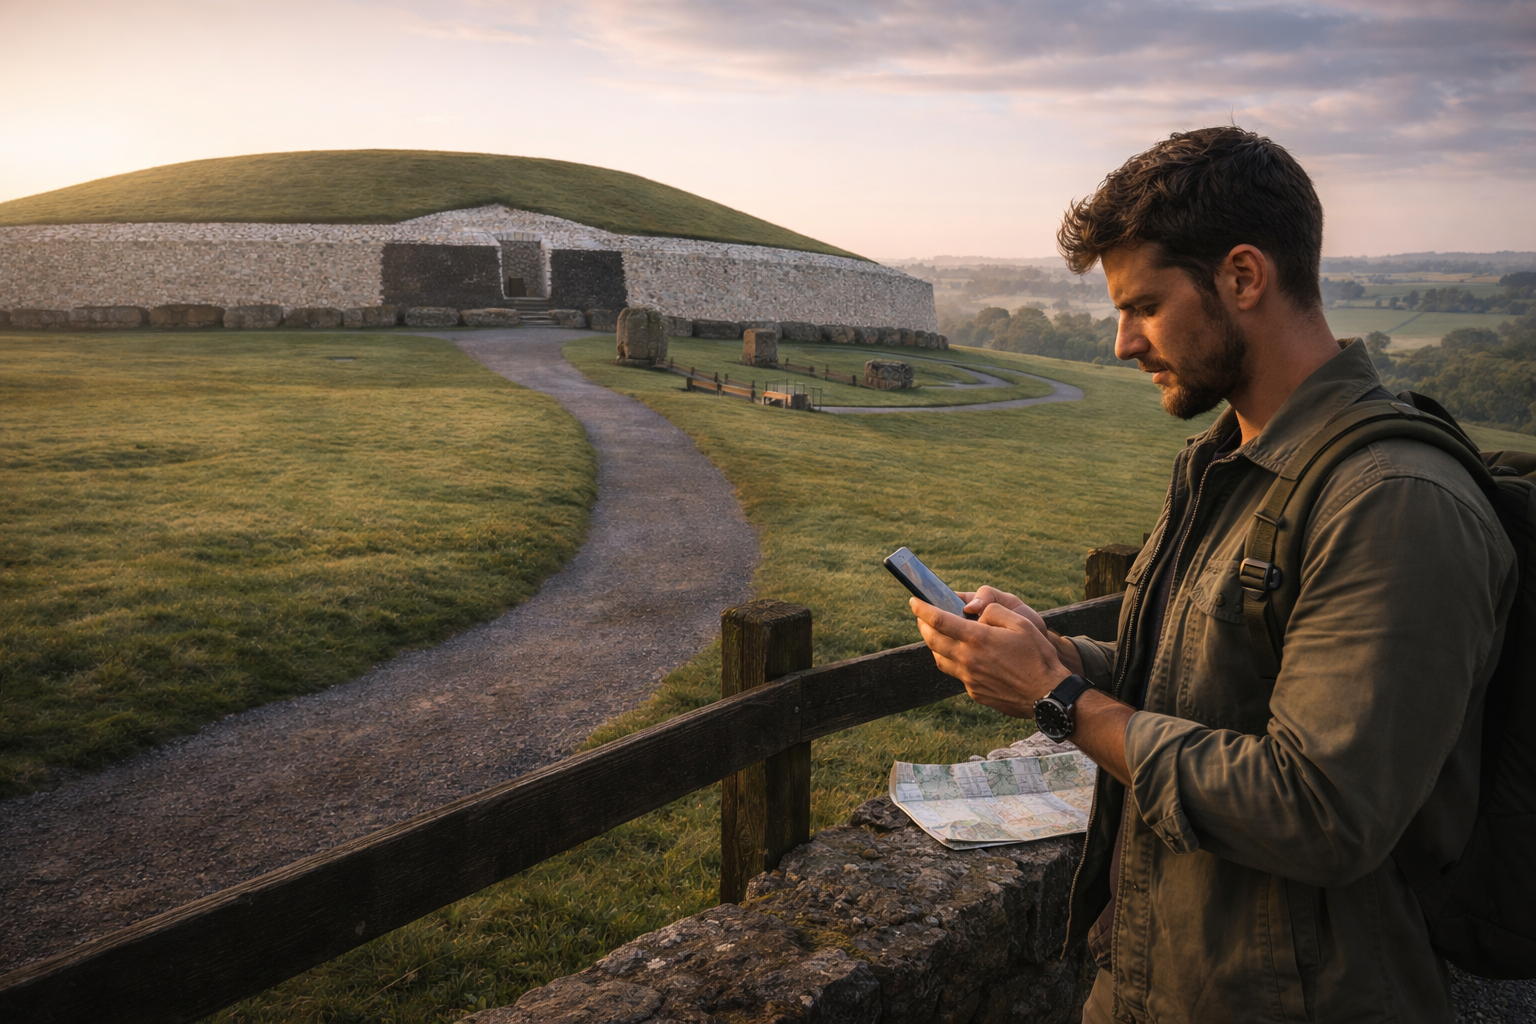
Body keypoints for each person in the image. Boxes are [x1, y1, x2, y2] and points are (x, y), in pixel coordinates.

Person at [909, 127, 1517, 1023]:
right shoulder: (1231, 462)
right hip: (1152, 980)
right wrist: (1058, 657)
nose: (1123, 343)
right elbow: (1211, 687)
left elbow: (1322, 810)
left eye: (1145, 307)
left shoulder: (1394, 500)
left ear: (1242, 276)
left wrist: (1059, 701)